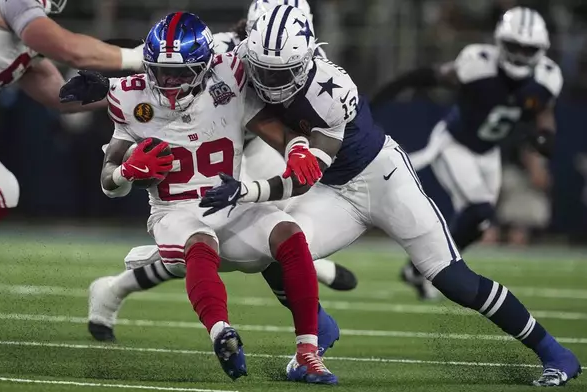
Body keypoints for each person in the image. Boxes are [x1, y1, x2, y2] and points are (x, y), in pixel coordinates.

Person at [200, 5, 581, 387]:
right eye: (261, 68)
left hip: (381, 178)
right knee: (274, 244)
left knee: (453, 279)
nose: (267, 79)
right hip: (334, 190)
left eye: (278, 72)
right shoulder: (242, 63)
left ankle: (554, 352)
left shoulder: (332, 90)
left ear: (305, 59)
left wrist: (249, 190)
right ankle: (317, 327)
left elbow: (303, 174)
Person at [78, 12, 337, 384]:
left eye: (182, 73)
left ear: (205, 66)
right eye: (162, 72)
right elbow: (108, 183)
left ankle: (307, 353)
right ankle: (221, 334)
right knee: (200, 242)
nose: (170, 82)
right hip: (174, 212)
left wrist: (298, 149)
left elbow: (282, 132)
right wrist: (127, 172)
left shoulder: (230, 79)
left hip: (226, 201)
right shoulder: (129, 97)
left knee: (288, 232)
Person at [0, 0, 144, 324]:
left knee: (1, 191)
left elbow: (59, 95)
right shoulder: (12, 3)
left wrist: (134, 92)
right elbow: (72, 50)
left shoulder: (23, 35)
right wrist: (139, 58)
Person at [370, 7, 562, 301]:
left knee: (479, 222)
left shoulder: (547, 78)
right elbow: (428, 76)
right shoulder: (478, 65)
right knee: (480, 209)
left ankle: (416, 269)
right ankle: (434, 268)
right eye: (515, 46)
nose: (521, 55)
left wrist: (545, 135)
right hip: (454, 143)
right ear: (500, 42)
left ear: (540, 50)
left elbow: (544, 111)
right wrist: (378, 100)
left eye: (528, 49)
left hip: (488, 152)